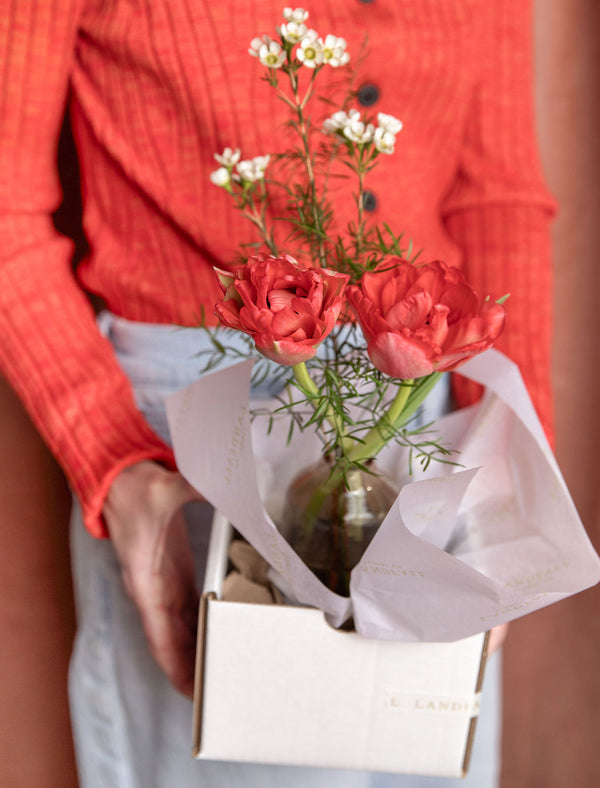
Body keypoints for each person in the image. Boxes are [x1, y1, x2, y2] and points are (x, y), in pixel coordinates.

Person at [0, 1, 554, 786]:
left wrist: (509, 471)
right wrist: (113, 464)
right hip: (192, 448)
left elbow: (496, 201)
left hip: (428, 425)